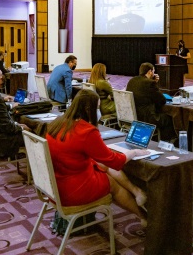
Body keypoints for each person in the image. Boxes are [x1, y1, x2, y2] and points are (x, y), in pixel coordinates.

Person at [46, 89, 148, 226]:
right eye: (98, 107)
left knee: (103, 165)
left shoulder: (57, 123)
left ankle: (137, 192)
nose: (99, 111)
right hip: (72, 191)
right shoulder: (86, 131)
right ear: (89, 110)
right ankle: (143, 216)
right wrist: (134, 152)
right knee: (112, 182)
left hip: (55, 186)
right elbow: (116, 161)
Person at [126, 62, 177, 142]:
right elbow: (162, 100)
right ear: (150, 72)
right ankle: (167, 141)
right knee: (170, 118)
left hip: (133, 117)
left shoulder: (131, 81)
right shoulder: (150, 83)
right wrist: (154, 83)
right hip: (147, 119)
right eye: (153, 71)